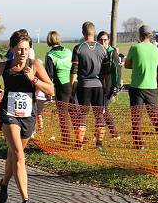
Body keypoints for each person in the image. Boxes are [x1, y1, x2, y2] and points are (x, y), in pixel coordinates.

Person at [0, 29, 54, 203]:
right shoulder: (4, 67)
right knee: (19, 154)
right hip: (9, 114)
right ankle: (26, 200)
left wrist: (34, 80)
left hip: (28, 116)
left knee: (13, 154)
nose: (23, 53)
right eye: (19, 49)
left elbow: (51, 90)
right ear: (12, 49)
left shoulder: (35, 65)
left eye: (26, 49)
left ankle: (4, 183)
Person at [125, 25, 158, 150]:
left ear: (140, 35)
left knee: (136, 118)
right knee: (156, 116)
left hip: (136, 87)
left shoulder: (135, 47)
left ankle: (139, 145)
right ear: (150, 36)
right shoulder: (155, 49)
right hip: (152, 88)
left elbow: (127, 65)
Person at [70, 21, 110, 149]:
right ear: (94, 32)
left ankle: (79, 144)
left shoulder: (79, 48)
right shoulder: (102, 48)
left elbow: (74, 71)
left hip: (83, 87)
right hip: (99, 87)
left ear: (83, 32)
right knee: (99, 116)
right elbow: (107, 72)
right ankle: (99, 143)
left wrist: (72, 87)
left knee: (82, 116)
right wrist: (107, 88)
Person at [45, 30, 73, 144]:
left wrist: (49, 91)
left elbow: (49, 75)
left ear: (49, 40)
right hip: (73, 83)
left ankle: (66, 139)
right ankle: (79, 137)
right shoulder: (68, 51)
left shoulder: (50, 55)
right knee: (75, 111)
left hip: (61, 86)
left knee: (63, 113)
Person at [97, 31, 122, 139]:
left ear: (108, 41)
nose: (103, 42)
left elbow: (117, 71)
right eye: (101, 40)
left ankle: (112, 133)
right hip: (98, 84)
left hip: (108, 86)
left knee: (103, 109)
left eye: (105, 40)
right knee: (102, 109)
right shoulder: (97, 51)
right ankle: (112, 133)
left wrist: (115, 89)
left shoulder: (112, 53)